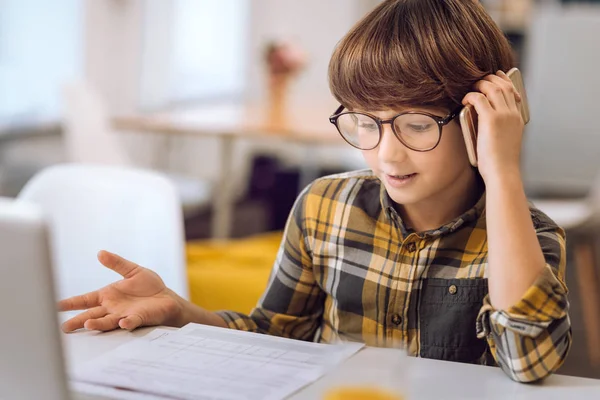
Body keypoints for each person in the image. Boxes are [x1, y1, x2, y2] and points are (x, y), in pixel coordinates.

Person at [59, 0, 571, 383]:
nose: (386, 154)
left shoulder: (529, 237)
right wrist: (182, 313)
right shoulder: (325, 207)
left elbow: (529, 361)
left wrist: (502, 170)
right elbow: (276, 334)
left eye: (416, 124)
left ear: (481, 116)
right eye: (364, 123)